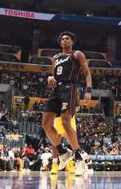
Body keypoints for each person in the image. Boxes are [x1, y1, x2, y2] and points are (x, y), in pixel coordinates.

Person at [41, 31, 92, 176]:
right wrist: (49, 80)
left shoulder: (77, 54)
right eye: (62, 39)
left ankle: (78, 157)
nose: (64, 40)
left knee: (65, 122)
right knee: (46, 124)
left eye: (67, 38)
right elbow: (53, 77)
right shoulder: (56, 57)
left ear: (72, 41)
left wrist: (88, 91)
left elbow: (87, 73)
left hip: (69, 88)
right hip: (56, 90)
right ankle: (64, 151)